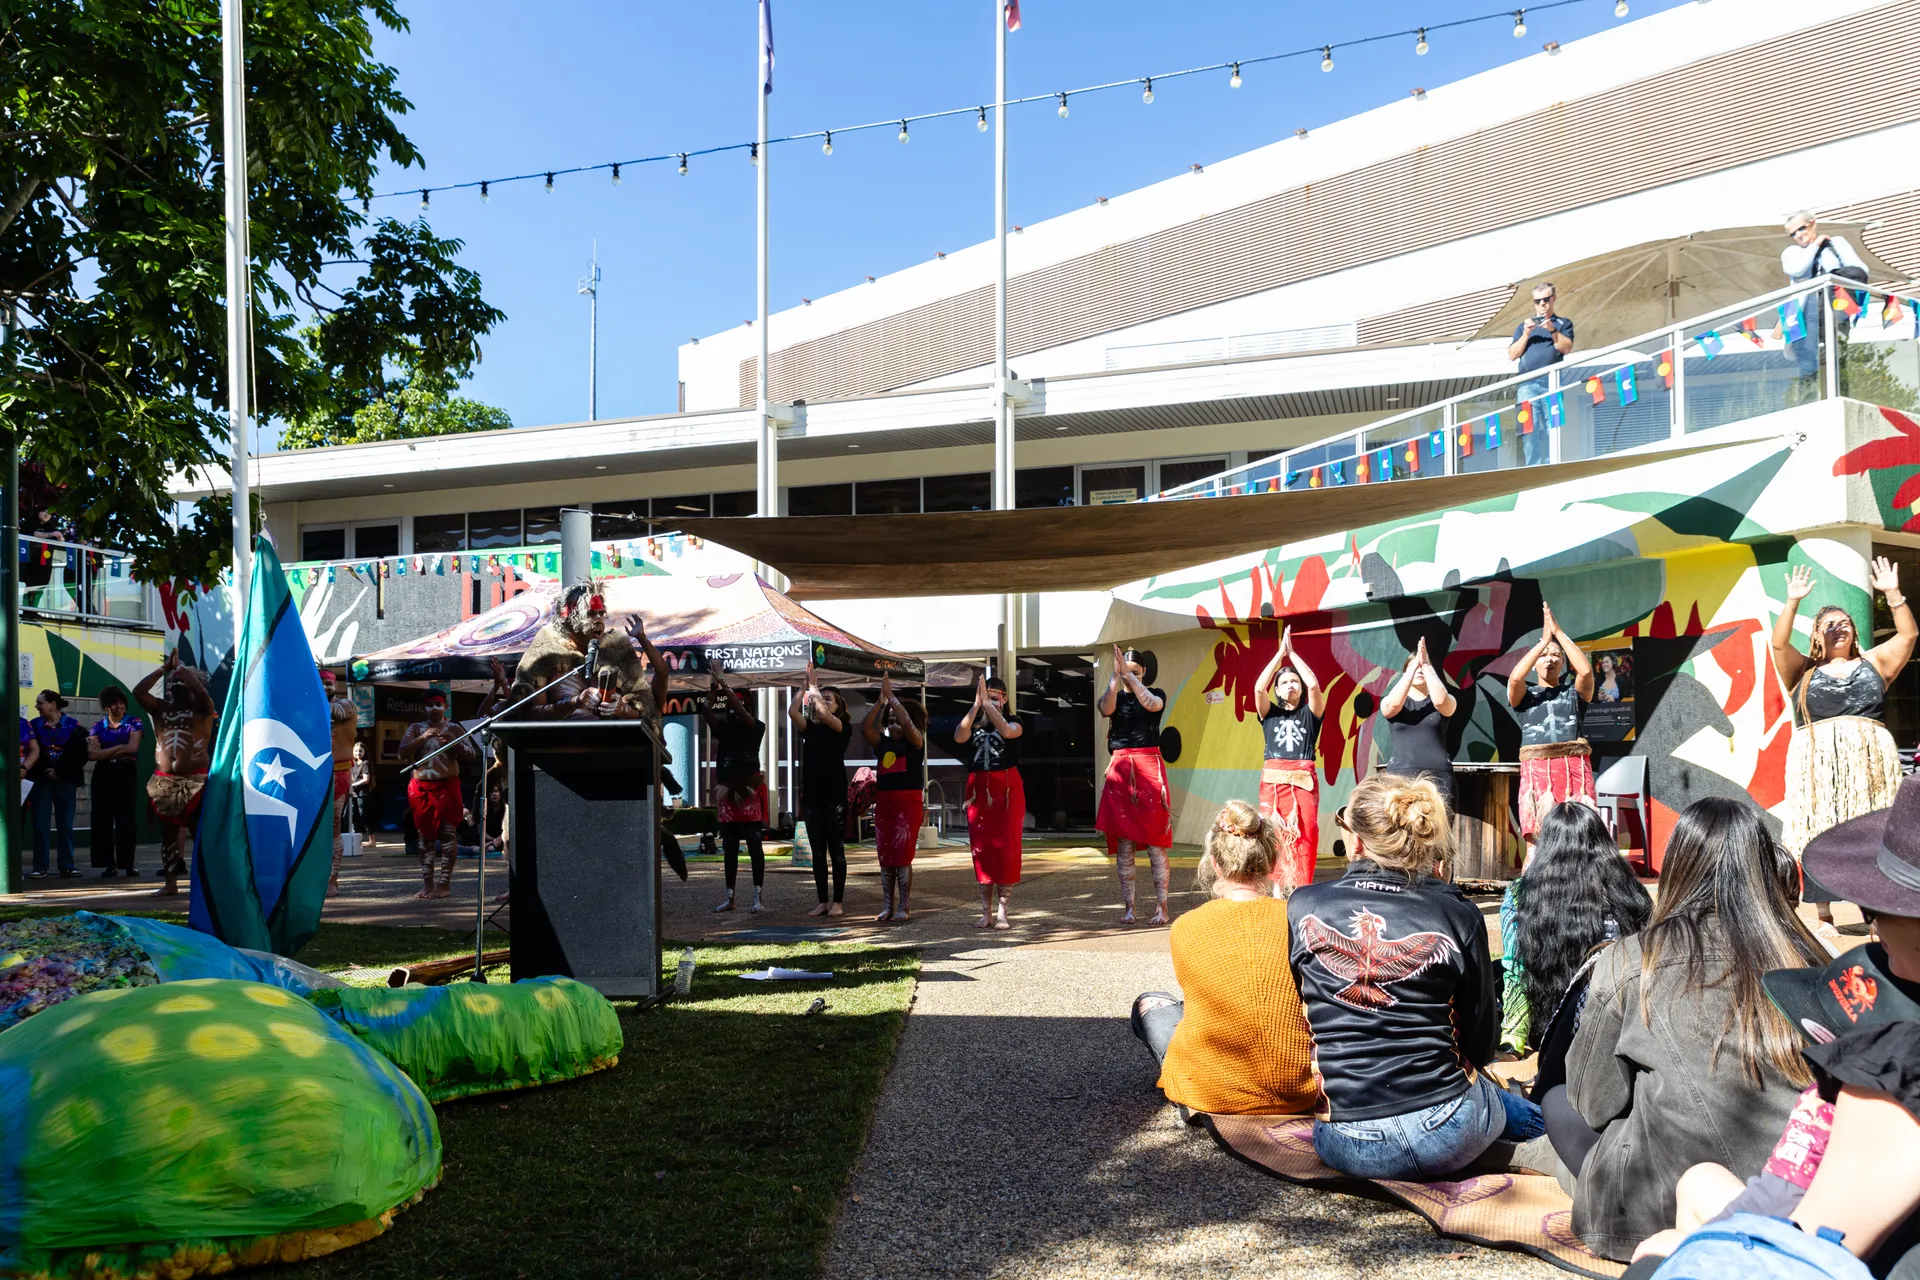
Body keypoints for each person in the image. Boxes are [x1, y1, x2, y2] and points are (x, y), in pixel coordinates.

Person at [1627, 773, 1920, 1278]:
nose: (1871, 923)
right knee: (1697, 1182)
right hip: (1774, 1186)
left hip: (1795, 1230)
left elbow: (1808, 1250)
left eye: (1879, 903)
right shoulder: (1807, 950)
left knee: (1653, 1249)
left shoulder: (1895, 1067)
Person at [1543, 797, 1829, 1262]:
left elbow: (1593, 1102)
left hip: (1657, 1206)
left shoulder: (1632, 958)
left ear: (1678, 865)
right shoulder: (1811, 957)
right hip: (1797, 1187)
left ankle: (1553, 1166)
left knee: (1558, 1101)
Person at [1288, 773, 1538, 1179]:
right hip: (1450, 1131)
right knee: (1494, 1093)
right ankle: (1536, 1138)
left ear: (1354, 838)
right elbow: (1482, 1042)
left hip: (1347, 1142)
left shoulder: (1304, 906)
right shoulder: (1457, 914)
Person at [1131, 800, 1319, 1118]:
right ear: (1272, 861)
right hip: (1298, 1090)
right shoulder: (1300, 920)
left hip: (1211, 1091)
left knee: (1151, 1004)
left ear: (1215, 865)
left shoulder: (1186, 926)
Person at [1772, 558, 1915, 927]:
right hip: (1817, 766)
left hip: (1868, 764)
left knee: (1869, 828)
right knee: (1820, 830)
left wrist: (1892, 594)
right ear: (1816, 635)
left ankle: (1874, 909)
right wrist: (1793, 603)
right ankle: (1823, 914)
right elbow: (1778, 642)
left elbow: (1908, 636)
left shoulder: (1876, 662)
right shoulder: (1801, 670)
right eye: (1829, 625)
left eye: (1845, 624)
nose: (1839, 629)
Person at [1498, 801, 1654, 1056]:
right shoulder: (1631, 896)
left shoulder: (1520, 894)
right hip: (1618, 1032)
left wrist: (1512, 1039)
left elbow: (1516, 972)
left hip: (1550, 1034)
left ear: (1546, 847)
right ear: (1603, 843)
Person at [511, 582, 669, 724]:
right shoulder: (545, 653)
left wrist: (621, 708)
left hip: (613, 749)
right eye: (591, 614)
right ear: (570, 619)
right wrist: (574, 702)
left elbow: (645, 712)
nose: (599, 620)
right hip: (562, 749)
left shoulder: (616, 650)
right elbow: (528, 716)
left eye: (601, 613)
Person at [1096, 644, 1174, 926]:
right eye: (1127, 671)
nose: (1131, 676)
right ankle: (1129, 906)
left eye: (1136, 672)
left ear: (1144, 673)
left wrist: (1129, 678)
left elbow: (1152, 704)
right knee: (1125, 843)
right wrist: (1115, 679)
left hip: (1148, 768)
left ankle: (1161, 907)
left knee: (1155, 843)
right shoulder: (1114, 696)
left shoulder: (1156, 695)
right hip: (1120, 768)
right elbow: (1105, 708)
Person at [1507, 603, 1598, 841]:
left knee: (1581, 832)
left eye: (1556, 656)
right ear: (1535, 662)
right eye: (1544, 656)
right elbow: (1516, 677)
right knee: (1537, 836)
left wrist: (1557, 634)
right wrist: (1542, 643)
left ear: (1563, 663)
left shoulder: (1574, 694)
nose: (1550, 660)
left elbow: (1586, 672)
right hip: (1538, 771)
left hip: (1573, 770)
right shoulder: (1524, 696)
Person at [133, 653, 216, 896]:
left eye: (182, 679)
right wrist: (164, 669)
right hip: (165, 781)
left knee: (199, 832)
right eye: (173, 680)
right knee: (168, 834)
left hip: (196, 780)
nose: (176, 682)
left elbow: (201, 694)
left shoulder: (203, 708)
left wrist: (181, 670)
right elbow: (138, 692)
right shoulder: (161, 709)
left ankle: (204, 883)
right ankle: (170, 883)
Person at [1254, 626, 1328, 892]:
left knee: (1305, 832)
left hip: (1303, 779)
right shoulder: (1268, 712)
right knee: (1272, 835)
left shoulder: (1311, 712)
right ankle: (1275, 890)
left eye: (1294, 681)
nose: (1291, 685)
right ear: (1277, 689)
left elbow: (1314, 684)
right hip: (1273, 782)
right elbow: (1258, 687)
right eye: (1284, 682)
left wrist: (1293, 654)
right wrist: (1279, 656)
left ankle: (1300, 889)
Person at [955, 672, 1025, 930]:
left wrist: (989, 706)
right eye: (986, 696)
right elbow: (959, 737)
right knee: (981, 849)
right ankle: (985, 912)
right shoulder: (973, 723)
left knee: (1007, 849)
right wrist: (977, 706)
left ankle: (1003, 910)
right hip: (979, 790)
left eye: (994, 697)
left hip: (1006, 790)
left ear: (1004, 699)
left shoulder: (1015, 720)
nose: (990, 701)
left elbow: (1007, 731)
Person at [1780, 210, 1870, 387]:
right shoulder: (1792, 252)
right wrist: (1816, 245)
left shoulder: (1835, 243)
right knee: (1806, 356)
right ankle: (1807, 390)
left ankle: (1840, 386)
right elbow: (1797, 269)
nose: (1798, 235)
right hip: (1803, 310)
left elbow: (1861, 270)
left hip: (1833, 303)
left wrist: (1836, 273)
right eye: (1793, 233)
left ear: (1813, 223)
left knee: (1837, 350)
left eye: (1801, 228)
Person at [789, 663, 852, 918]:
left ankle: (838, 902)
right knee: (817, 852)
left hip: (834, 796)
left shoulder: (842, 727)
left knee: (835, 849)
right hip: (813, 796)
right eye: (822, 698)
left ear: (839, 707)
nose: (823, 701)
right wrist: (804, 687)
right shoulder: (811, 729)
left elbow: (826, 715)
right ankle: (822, 901)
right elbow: (793, 712)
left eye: (830, 699)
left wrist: (815, 686)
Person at [862, 673, 926, 923]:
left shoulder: (915, 742)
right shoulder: (883, 743)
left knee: (902, 856)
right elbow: (865, 728)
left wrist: (893, 700)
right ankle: (888, 906)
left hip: (907, 804)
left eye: (897, 720)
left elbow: (910, 727)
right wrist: (880, 703)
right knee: (886, 856)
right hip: (885, 803)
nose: (894, 725)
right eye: (890, 721)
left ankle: (904, 906)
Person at [398, 691, 474, 900]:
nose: (434, 708)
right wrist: (423, 737)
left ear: (445, 707)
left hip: (447, 787)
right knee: (425, 836)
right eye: (429, 705)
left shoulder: (454, 728)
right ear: (424, 708)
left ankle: (444, 884)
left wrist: (454, 742)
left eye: (437, 704)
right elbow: (402, 752)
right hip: (421, 788)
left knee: (448, 833)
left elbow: (472, 755)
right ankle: (427, 884)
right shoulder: (415, 729)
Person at [704, 672, 768, 914]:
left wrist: (724, 684)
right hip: (728, 792)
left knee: (754, 846)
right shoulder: (724, 729)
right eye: (733, 704)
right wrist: (713, 692)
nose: (735, 707)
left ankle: (757, 897)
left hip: (748, 791)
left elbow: (742, 713)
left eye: (741, 703)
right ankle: (730, 897)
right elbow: (706, 713)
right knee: (729, 847)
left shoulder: (756, 727)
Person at [1380, 636, 1457, 810]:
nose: (1419, 670)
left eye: (1423, 666)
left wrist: (1427, 666)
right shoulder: (1392, 701)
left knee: (1437, 833)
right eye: (1415, 667)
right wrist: (1413, 667)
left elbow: (1441, 703)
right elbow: (1391, 707)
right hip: (1401, 776)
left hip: (1438, 777)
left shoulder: (1445, 699)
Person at [1506, 282, 1574, 467]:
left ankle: (1555, 464)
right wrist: (1527, 334)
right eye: (1537, 301)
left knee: (1554, 425)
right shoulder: (1523, 327)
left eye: (1545, 299)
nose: (1542, 304)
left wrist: (1552, 329)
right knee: (1529, 428)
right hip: (1527, 384)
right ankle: (1533, 466)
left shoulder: (1562, 323)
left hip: (1552, 382)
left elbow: (1565, 348)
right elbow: (1512, 355)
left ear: (1553, 299)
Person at [25, 690, 86, 879]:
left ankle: (67, 865)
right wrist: (47, 769)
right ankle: (40, 867)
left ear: (52, 704)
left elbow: (79, 755)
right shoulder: (33, 726)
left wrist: (59, 771)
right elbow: (33, 751)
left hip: (65, 781)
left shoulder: (75, 727)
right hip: (41, 781)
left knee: (65, 823)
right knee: (40, 824)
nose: (37, 706)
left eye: (40, 703)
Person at [86, 686, 144, 878]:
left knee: (126, 818)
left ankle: (127, 864)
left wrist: (109, 751)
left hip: (126, 772)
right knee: (102, 818)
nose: (119, 706)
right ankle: (107, 864)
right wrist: (120, 746)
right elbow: (92, 754)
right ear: (106, 707)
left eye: (121, 702)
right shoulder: (97, 726)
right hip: (103, 773)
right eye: (114, 703)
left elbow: (133, 748)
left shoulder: (134, 723)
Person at [320, 668, 357, 893]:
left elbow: (333, 712)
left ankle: (332, 879)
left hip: (338, 772)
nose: (325, 688)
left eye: (329, 684)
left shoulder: (347, 705)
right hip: (313, 773)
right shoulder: (309, 705)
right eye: (321, 683)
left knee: (333, 826)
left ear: (336, 687)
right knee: (313, 828)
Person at [348, 741, 374, 849]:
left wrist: (353, 784)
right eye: (356, 751)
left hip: (362, 792)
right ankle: (354, 839)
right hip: (353, 792)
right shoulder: (352, 763)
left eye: (360, 751)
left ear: (364, 752)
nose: (358, 753)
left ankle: (372, 840)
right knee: (353, 815)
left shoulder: (365, 763)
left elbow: (365, 779)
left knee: (364, 815)